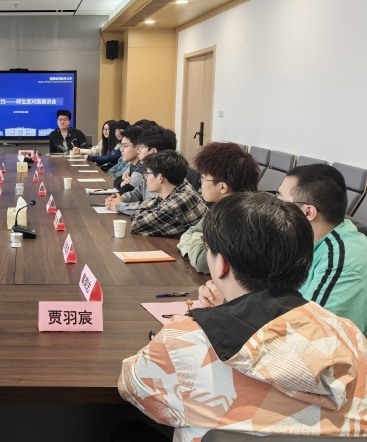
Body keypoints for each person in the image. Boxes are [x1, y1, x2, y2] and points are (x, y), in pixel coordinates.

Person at [119, 193, 367, 441]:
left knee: (128, 431)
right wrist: (232, 308)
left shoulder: (184, 341)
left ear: (221, 264)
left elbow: (132, 386)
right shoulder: (350, 335)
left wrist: (203, 318)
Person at [277, 164, 367, 334]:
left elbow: (312, 335)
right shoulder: (305, 239)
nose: (275, 209)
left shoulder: (344, 259)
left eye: (281, 202)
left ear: (308, 212)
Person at [177, 142, 259, 273]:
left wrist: (198, 239)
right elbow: (190, 231)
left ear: (222, 187)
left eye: (203, 178)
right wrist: (200, 240)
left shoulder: (239, 219)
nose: (200, 183)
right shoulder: (220, 209)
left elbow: (202, 261)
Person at [128, 150, 207, 236]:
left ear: (160, 178)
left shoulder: (177, 202)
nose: (145, 178)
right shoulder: (180, 187)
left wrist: (143, 213)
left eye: (147, 174)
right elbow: (140, 212)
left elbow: (136, 225)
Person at [105, 127, 176, 214]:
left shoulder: (163, 176)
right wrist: (118, 199)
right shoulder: (149, 171)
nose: (138, 151)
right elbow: (136, 193)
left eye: (141, 148)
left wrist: (119, 205)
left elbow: (152, 209)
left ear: (153, 151)